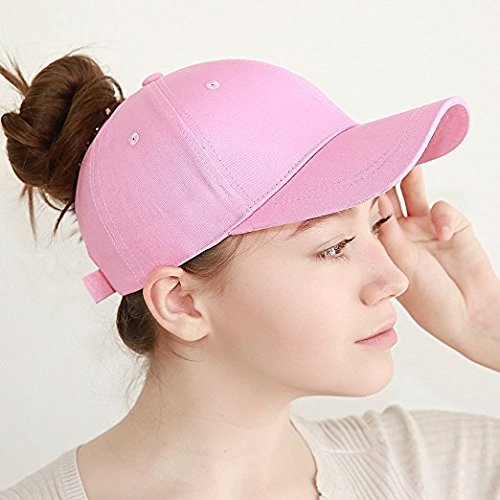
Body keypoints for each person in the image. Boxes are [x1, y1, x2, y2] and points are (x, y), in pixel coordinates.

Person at [1, 48, 499, 500]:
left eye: (377, 224)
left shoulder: (429, 469)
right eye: (334, 247)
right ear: (181, 302)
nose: (395, 279)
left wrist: (485, 323)